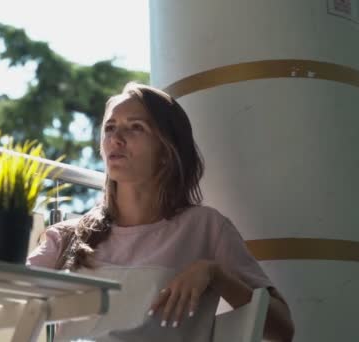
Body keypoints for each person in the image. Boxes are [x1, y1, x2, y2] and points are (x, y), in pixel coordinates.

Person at [27, 83, 294, 341]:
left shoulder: (206, 228)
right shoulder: (68, 237)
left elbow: (282, 329)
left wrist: (215, 274)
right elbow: (4, 297)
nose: (116, 139)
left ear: (166, 150)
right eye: (110, 128)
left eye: (135, 128)